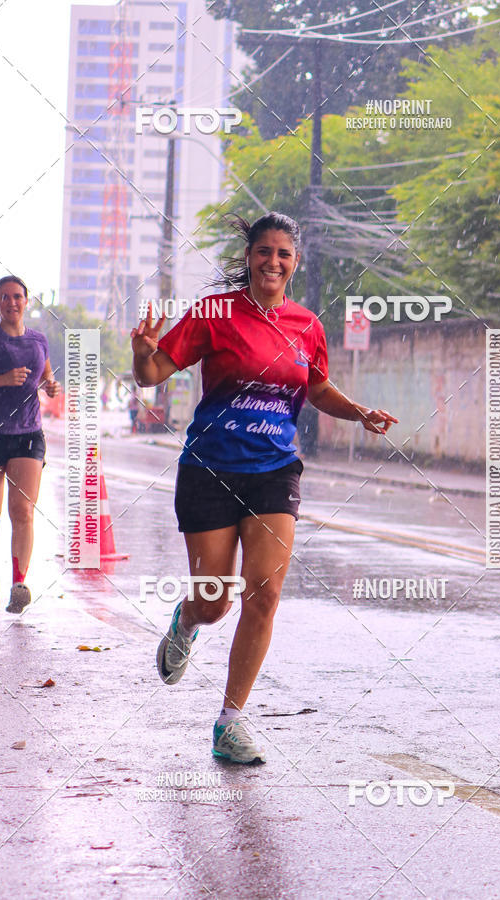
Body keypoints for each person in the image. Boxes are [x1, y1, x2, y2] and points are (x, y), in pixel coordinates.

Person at [131, 212, 397, 764]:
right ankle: (187, 621)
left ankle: (230, 722)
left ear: (294, 263)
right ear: (249, 257)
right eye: (263, 251)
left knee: (265, 594)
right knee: (214, 602)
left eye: (283, 254)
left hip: (275, 470)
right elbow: (152, 374)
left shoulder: (307, 325)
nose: (273, 262)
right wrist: (141, 350)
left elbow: (316, 389)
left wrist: (359, 412)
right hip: (210, 469)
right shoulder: (215, 313)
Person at [0, 276, 61, 613]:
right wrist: (3, 380)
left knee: (22, 511)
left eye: (17, 296)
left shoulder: (38, 340)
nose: (12, 302)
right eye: (4, 297)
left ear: (26, 300)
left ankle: (18, 585)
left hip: (29, 433)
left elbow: (46, 376)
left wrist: (51, 386)